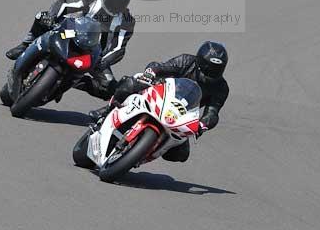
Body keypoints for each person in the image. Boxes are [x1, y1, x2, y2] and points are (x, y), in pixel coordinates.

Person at [89, 41, 229, 162]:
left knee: (180, 155)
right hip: (159, 92)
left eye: (215, 71)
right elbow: (159, 66)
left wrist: (202, 125)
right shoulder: (186, 61)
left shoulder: (221, 88)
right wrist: (151, 73)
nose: (210, 74)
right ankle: (106, 112)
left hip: (180, 115)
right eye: (207, 69)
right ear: (199, 62)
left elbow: (212, 112)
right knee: (129, 84)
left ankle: (141, 154)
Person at [5, 0, 135, 100]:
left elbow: (118, 48)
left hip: (94, 55)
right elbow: (64, 5)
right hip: (71, 34)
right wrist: (52, 16)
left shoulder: (127, 20)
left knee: (109, 88)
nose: (117, 4)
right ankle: (25, 45)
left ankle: (73, 81)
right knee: (41, 17)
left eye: (122, 1)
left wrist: (104, 61)